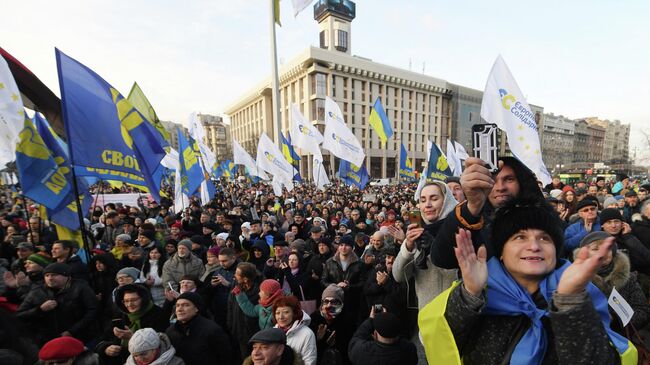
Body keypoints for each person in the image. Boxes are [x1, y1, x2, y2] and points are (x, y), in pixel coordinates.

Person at [420, 198, 634, 364]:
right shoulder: (480, 293)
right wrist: (470, 294)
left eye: (544, 238)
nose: (534, 246)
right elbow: (443, 345)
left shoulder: (580, 293)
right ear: (501, 252)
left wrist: (570, 302)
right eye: (520, 237)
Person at [429, 156, 544, 269]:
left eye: (509, 179)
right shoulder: (475, 221)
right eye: (493, 180)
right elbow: (442, 259)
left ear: (521, 182)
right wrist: (473, 206)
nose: (500, 187)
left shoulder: (544, 221)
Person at [575, 232, 650, 335]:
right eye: (595, 249)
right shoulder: (575, 281)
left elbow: (643, 311)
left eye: (607, 249)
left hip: (623, 341)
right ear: (585, 253)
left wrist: (616, 320)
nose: (602, 253)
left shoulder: (628, 279)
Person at [16, 262, 98, 346]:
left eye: (54, 275)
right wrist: (40, 309)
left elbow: (92, 311)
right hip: (47, 341)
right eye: (47, 275)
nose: (50, 278)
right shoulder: (37, 292)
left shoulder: (81, 288)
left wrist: (71, 331)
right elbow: (20, 315)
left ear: (67, 276)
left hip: (80, 338)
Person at [95, 283, 168, 365]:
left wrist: (132, 337)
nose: (129, 304)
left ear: (143, 299)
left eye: (134, 300)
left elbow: (160, 346)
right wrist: (106, 348)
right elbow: (102, 340)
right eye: (126, 301)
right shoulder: (121, 316)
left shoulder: (158, 315)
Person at [165, 291, 232, 365]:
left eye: (186, 305)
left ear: (196, 308)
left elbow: (226, 358)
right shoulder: (170, 331)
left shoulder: (211, 330)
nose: (180, 309)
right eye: (177, 305)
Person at [348, 309, 417, 365]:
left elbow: (355, 340)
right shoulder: (409, 348)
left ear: (375, 334)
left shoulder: (361, 351)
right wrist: (388, 321)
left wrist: (370, 320)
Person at [273, 295, 317, 365]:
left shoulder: (307, 333)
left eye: (286, 312)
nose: (281, 317)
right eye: (277, 313)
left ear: (294, 313)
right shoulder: (273, 332)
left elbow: (309, 362)